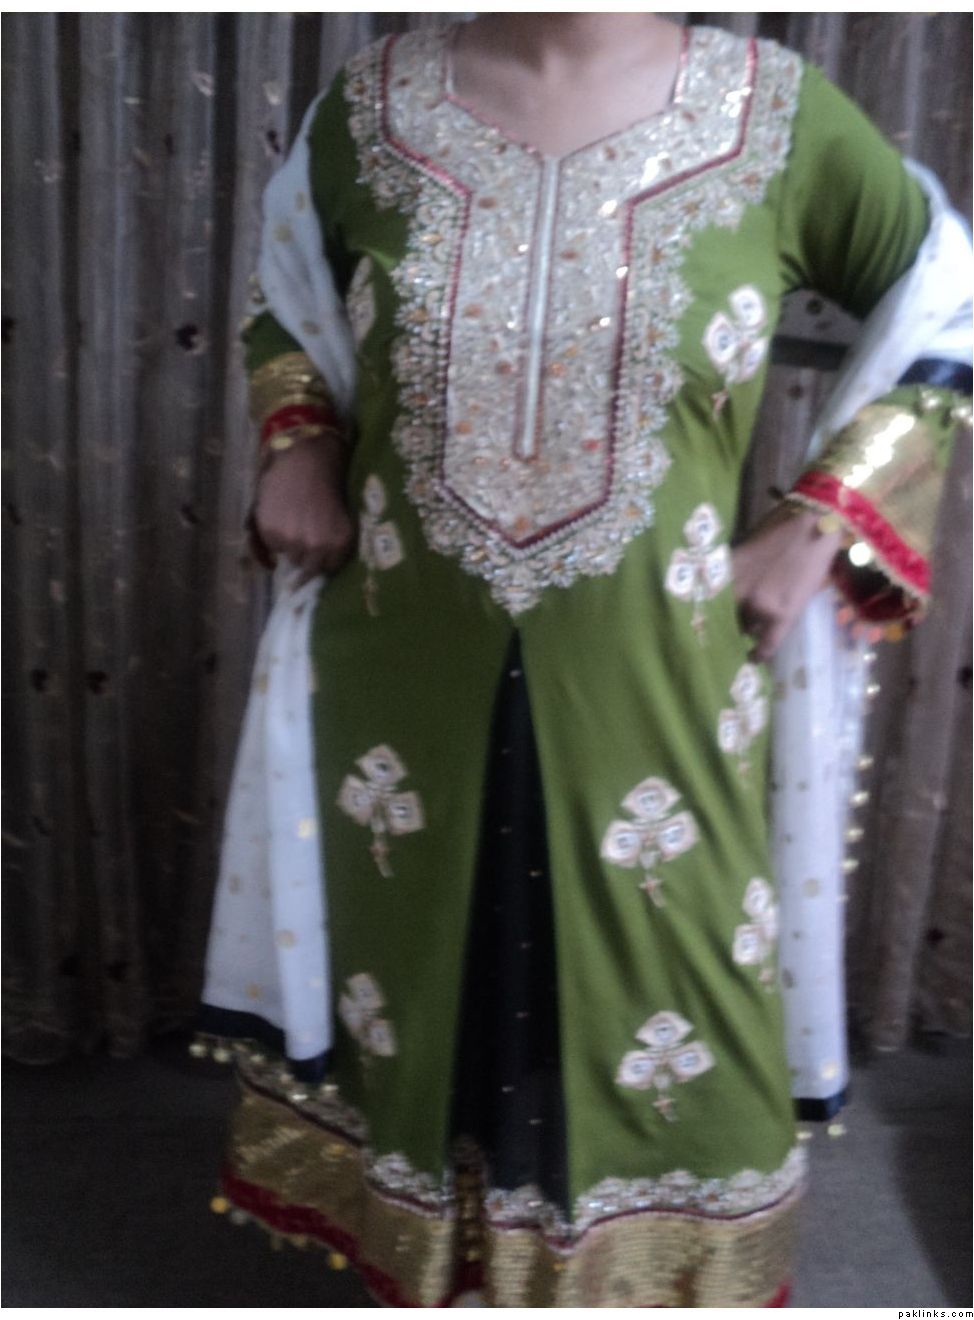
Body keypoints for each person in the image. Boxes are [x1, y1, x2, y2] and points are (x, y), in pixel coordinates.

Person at [197, 14, 972, 1307]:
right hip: (402, 660)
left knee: (667, 986)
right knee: (421, 975)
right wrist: (300, 444)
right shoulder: (369, 111)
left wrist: (822, 517)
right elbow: (287, 303)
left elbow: (947, 298)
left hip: (661, 673)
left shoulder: (773, 115)